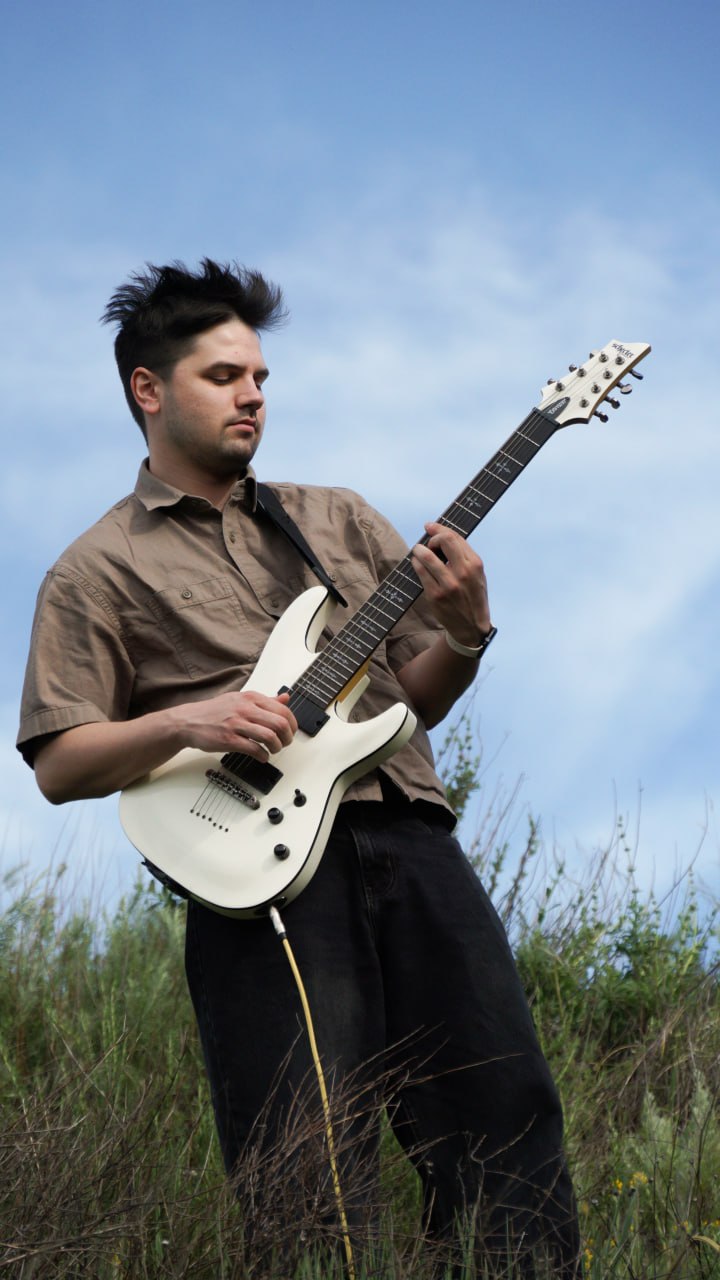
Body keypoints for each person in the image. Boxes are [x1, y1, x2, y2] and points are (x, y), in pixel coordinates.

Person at [17, 259, 580, 1275]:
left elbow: (413, 698)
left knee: (503, 1110)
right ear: (148, 389)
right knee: (306, 1155)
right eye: (225, 375)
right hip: (260, 880)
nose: (253, 397)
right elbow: (62, 760)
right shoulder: (96, 567)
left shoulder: (336, 520)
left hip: (408, 836)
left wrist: (465, 637)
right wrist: (191, 720)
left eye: (262, 378)